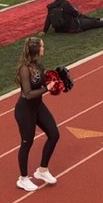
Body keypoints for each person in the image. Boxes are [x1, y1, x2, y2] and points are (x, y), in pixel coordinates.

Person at [13, 36, 60, 192]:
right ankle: (23, 178)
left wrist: (58, 78)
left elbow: (43, 78)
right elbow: (27, 94)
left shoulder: (38, 64)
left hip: (38, 106)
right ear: (35, 49)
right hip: (25, 110)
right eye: (42, 46)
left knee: (54, 134)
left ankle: (42, 170)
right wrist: (47, 88)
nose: (43, 48)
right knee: (27, 143)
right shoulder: (24, 69)